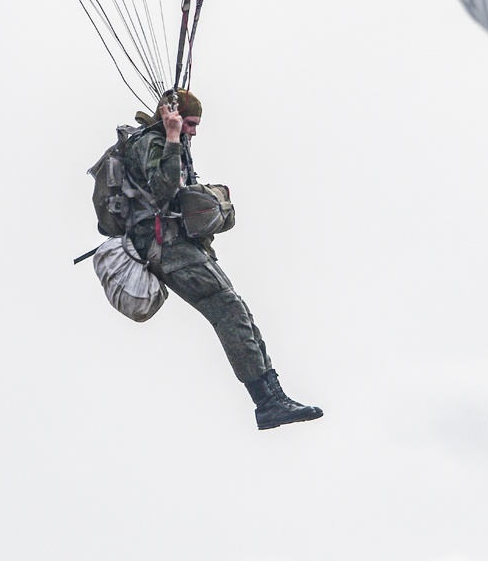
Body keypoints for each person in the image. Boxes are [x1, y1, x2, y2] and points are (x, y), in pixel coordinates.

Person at [89, 89, 323, 431]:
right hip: (164, 245)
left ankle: (273, 395)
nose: (194, 132)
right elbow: (164, 188)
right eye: (190, 124)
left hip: (178, 244)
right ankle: (267, 402)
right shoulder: (150, 143)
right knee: (227, 310)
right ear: (172, 118)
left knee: (236, 309)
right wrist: (171, 136)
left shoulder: (168, 144)